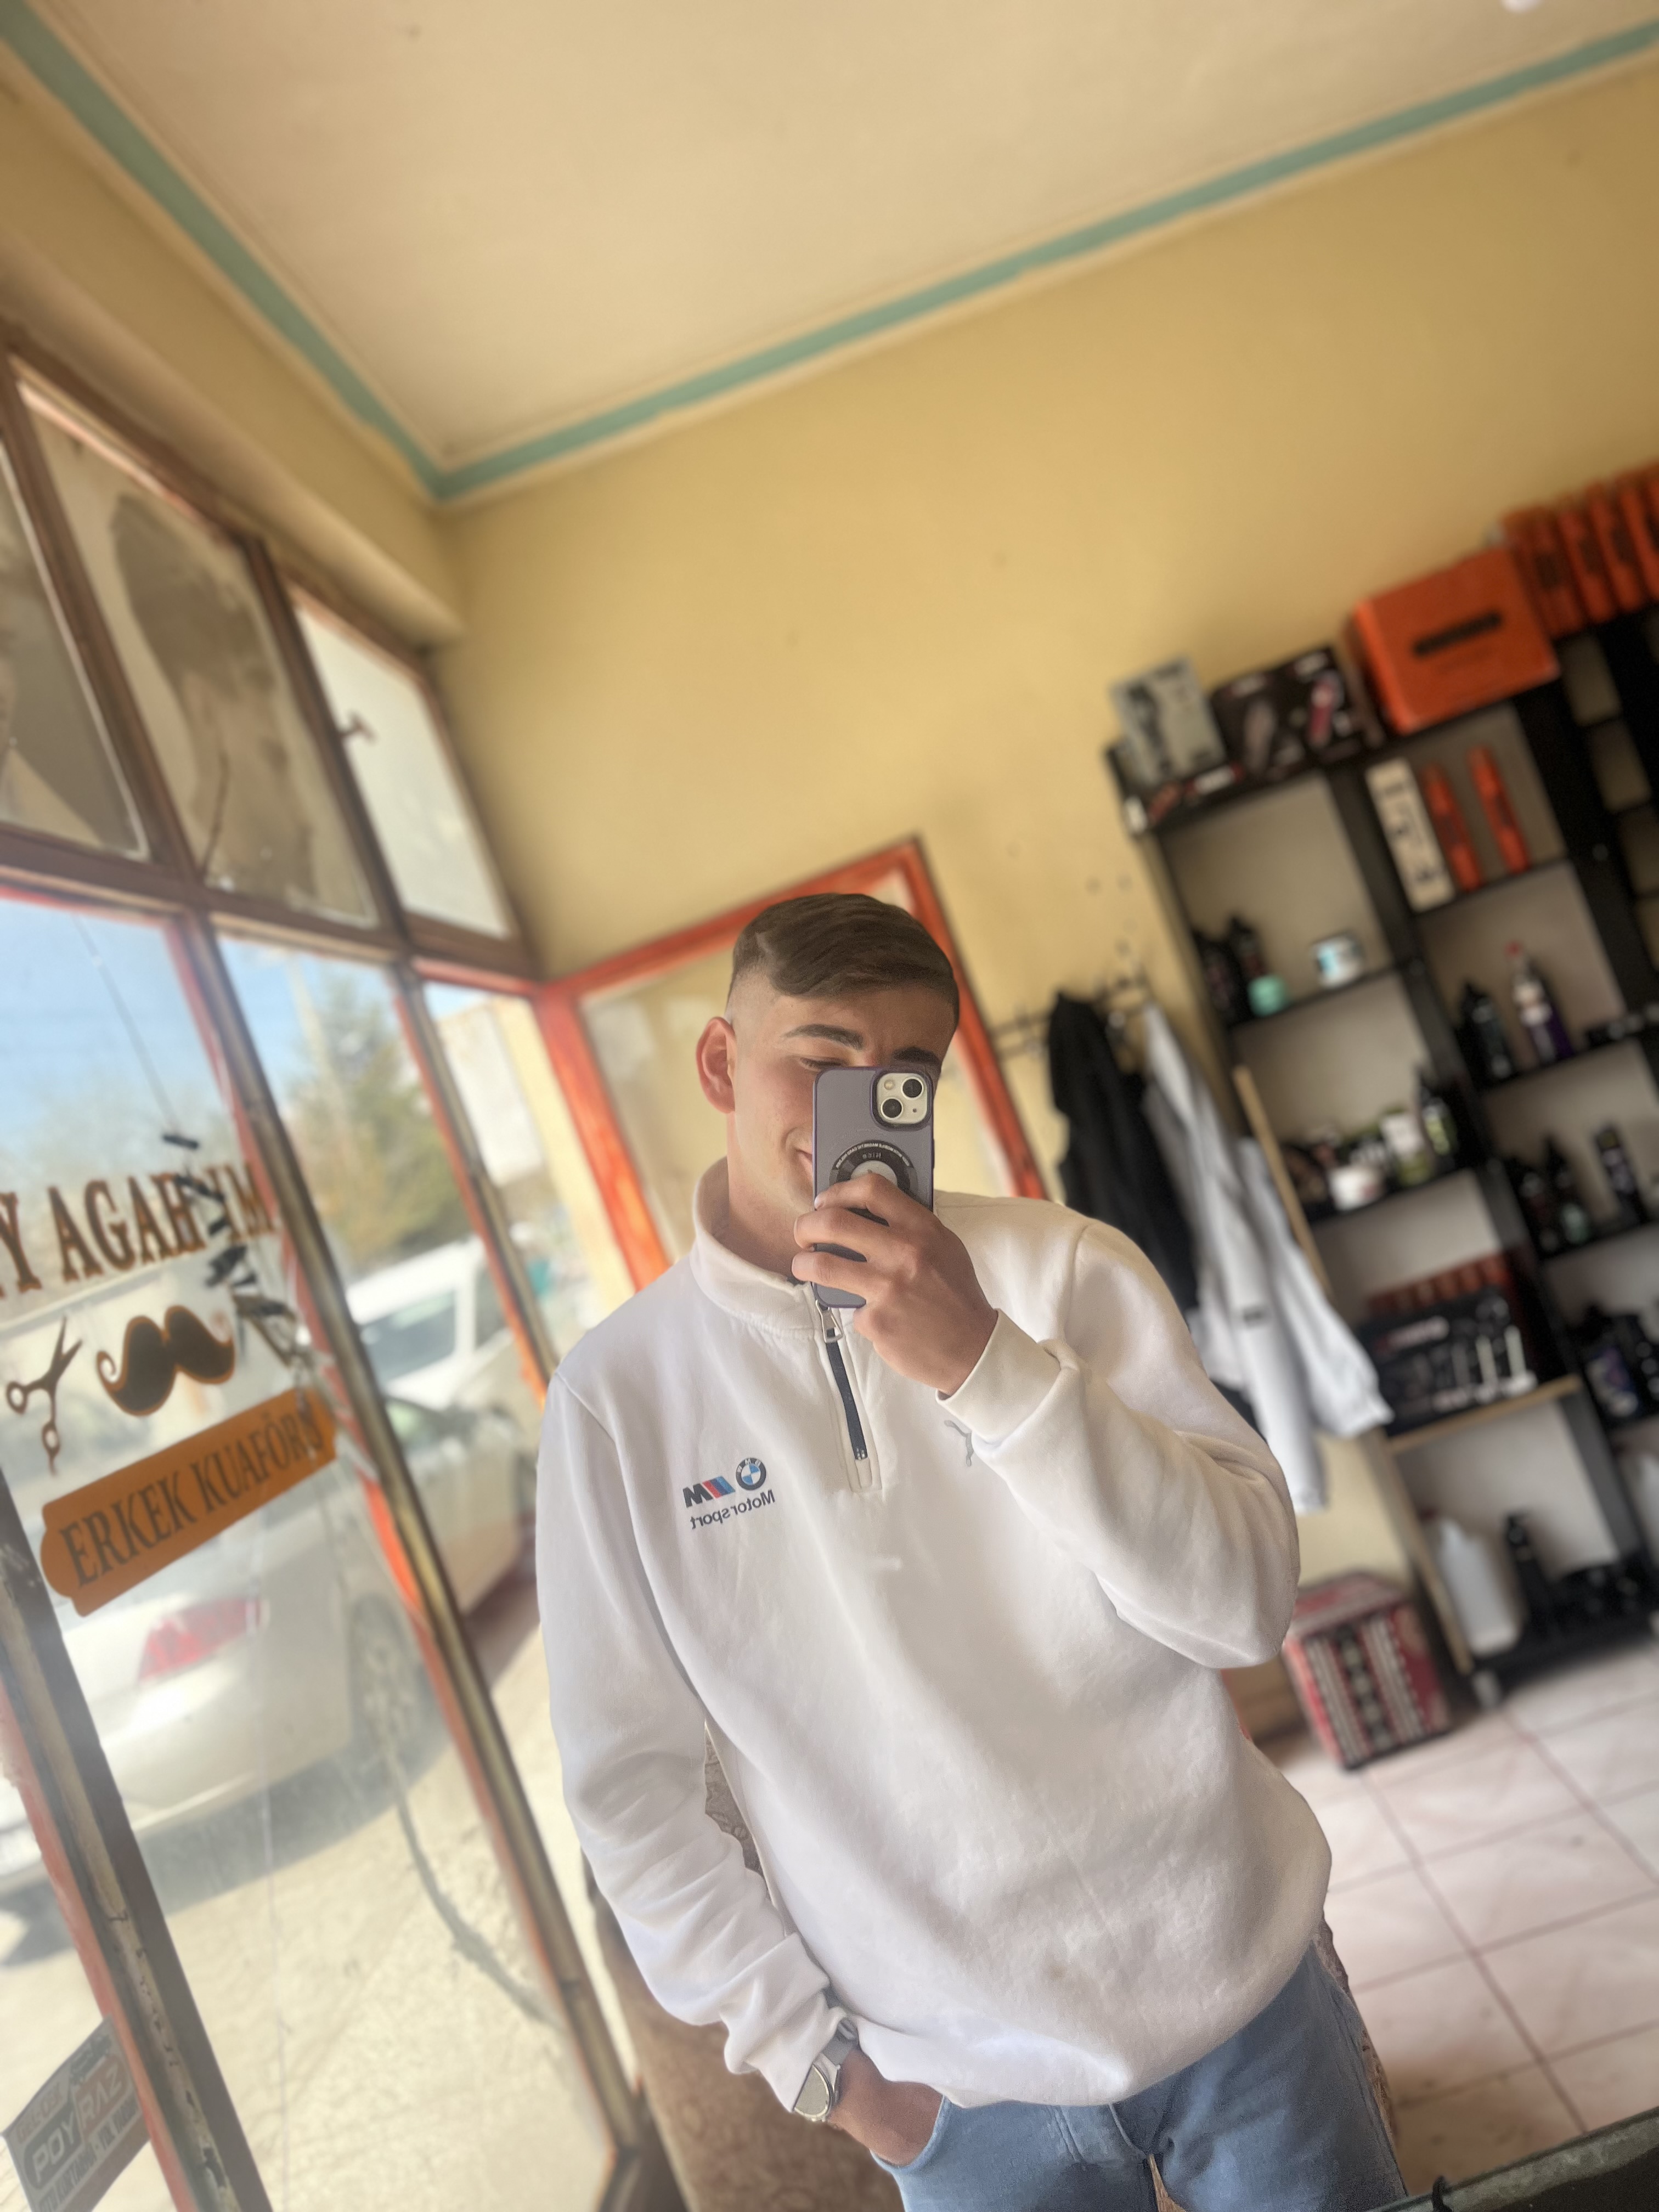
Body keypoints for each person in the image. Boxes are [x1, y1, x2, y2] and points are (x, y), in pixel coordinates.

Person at [538, 891, 1403, 2212]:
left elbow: (1242, 1607)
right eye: (820, 1060)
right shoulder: (619, 1402)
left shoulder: (1063, 1269)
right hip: (954, 2095)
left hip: (1244, 1995)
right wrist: (829, 2073)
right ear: (720, 1063)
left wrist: (990, 1365)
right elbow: (627, 1788)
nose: (860, 1105)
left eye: (905, 1075)